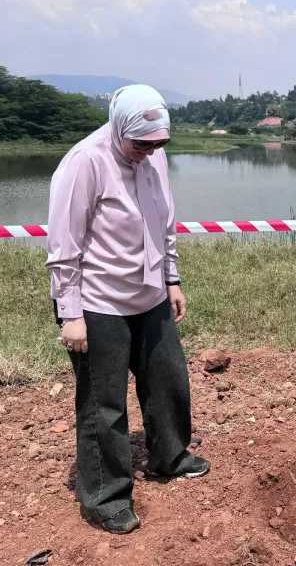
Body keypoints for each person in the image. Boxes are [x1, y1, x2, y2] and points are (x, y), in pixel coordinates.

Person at [46, 84, 208, 535]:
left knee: (168, 378)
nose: (149, 152)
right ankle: (105, 497)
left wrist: (171, 278)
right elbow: (63, 245)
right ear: (119, 128)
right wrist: (70, 312)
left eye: (159, 144)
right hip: (99, 302)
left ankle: (170, 456)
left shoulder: (152, 157)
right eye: (141, 143)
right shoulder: (85, 162)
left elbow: (165, 223)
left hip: (150, 293)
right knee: (104, 401)